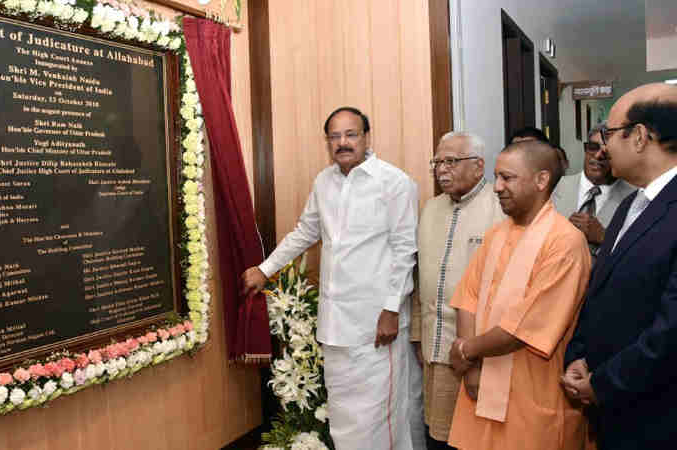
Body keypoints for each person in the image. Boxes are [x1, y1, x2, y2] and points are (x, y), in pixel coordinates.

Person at [241, 107, 424, 450]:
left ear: (366, 137)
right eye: (335, 136)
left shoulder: (394, 183)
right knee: (344, 419)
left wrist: (391, 309)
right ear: (327, 142)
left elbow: (404, 251)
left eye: (351, 134)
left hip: (377, 326)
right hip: (335, 326)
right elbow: (304, 233)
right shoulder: (324, 182)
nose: (343, 142)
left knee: (380, 418)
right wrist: (265, 269)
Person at [446, 140, 591, 450]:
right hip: (480, 388)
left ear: (541, 180)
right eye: (496, 177)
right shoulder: (495, 234)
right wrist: (471, 370)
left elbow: (526, 327)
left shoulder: (565, 242)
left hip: (531, 396)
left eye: (507, 178)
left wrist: (467, 352)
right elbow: (466, 299)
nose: (496, 187)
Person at [562, 83, 677, 449]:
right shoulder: (631, 205)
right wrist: (579, 356)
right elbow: (602, 291)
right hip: (616, 410)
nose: (603, 146)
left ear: (640, 136)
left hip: (658, 416)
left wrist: (603, 383)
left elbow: (670, 331)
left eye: (609, 133)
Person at [413, 132, 504, 450]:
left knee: (476, 439)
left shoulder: (500, 208)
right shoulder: (430, 209)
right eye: (437, 162)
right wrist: (416, 335)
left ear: (479, 167)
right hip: (433, 348)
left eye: (450, 161)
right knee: (438, 437)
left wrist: (476, 356)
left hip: (480, 353)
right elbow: (418, 276)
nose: (441, 169)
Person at [553, 122, 636, 257]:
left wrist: (604, 237)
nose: (598, 156)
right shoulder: (556, 187)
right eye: (592, 147)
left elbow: (639, 254)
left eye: (607, 151)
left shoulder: (634, 197)